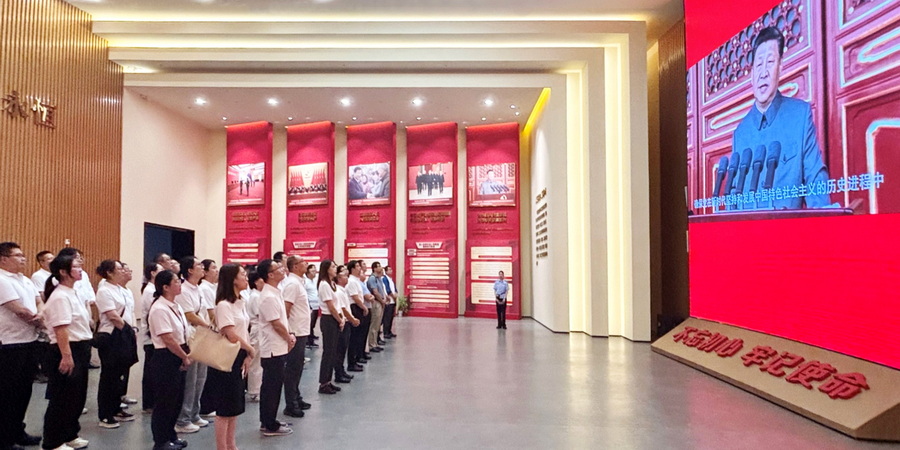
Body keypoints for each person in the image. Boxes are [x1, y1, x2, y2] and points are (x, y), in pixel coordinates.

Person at [731, 26, 829, 209]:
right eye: (758, 65)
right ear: (752, 75)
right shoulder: (740, 134)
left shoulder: (800, 116)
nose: (763, 72)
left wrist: (821, 222)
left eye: (770, 62)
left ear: (780, 68)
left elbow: (815, 181)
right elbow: (733, 197)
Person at [41, 253, 92, 450]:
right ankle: (52, 442)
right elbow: (61, 329)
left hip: (81, 347)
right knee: (61, 398)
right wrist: (67, 356)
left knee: (76, 396)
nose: (80, 269)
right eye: (76, 266)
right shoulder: (60, 296)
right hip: (67, 349)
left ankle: (70, 433)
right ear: (63, 272)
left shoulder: (72, 292)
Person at [0, 242, 44, 450]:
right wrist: (38, 321)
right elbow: (18, 309)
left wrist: (41, 314)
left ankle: (18, 430)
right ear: (3, 259)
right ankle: (3, 438)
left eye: (23, 254)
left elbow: (39, 301)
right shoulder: (2, 279)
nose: (23, 258)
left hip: (29, 340)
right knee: (7, 393)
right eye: (18, 255)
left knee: (24, 391)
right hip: (10, 343)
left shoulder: (25, 279)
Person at [207, 264, 255, 450]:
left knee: (234, 406)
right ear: (233, 279)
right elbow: (230, 333)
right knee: (224, 408)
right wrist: (250, 349)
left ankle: (231, 444)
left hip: (240, 353)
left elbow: (244, 330)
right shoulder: (223, 305)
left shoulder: (240, 302)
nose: (246, 277)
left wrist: (248, 354)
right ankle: (222, 446)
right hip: (228, 357)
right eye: (242, 274)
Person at [146, 270, 191, 450]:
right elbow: (168, 338)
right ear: (165, 287)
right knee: (165, 401)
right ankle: (161, 441)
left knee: (176, 400)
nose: (180, 284)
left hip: (179, 353)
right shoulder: (159, 308)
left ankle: (171, 435)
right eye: (176, 281)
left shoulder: (175, 305)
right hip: (166, 357)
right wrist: (184, 356)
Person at [94, 260, 137, 429]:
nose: (123, 271)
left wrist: (132, 329)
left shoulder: (120, 289)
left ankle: (116, 407)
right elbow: (112, 315)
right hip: (112, 335)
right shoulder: (104, 291)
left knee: (121, 373)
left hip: (125, 333)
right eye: (119, 269)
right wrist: (127, 330)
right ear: (109, 273)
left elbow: (129, 312)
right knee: (109, 375)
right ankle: (105, 414)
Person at [255, 259, 294, 437]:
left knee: (275, 386)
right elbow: (276, 323)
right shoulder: (268, 297)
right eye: (278, 268)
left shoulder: (275, 292)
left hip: (279, 346)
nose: (282, 269)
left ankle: (270, 419)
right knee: (271, 388)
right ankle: (269, 424)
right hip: (272, 348)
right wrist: (288, 337)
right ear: (270, 275)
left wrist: (289, 335)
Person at [173, 256, 209, 434]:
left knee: (201, 377)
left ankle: (195, 413)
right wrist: (208, 326)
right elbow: (190, 315)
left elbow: (203, 311)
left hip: (202, 335)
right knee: (190, 379)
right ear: (189, 270)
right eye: (198, 265)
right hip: (191, 336)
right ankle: (183, 418)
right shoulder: (184, 290)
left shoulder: (198, 289)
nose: (202, 268)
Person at [280, 256, 311, 417]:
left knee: (298, 367)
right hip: (295, 331)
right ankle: (290, 403)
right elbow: (286, 309)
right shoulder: (292, 284)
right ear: (295, 266)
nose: (306, 264)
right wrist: (289, 331)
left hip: (301, 330)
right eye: (303, 262)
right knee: (293, 368)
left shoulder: (299, 282)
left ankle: (296, 397)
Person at [316, 260, 344, 394]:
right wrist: (339, 319)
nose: (335, 268)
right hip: (329, 320)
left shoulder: (332, 283)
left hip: (334, 318)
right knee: (328, 352)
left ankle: (328, 380)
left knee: (333, 351)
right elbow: (330, 306)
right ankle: (323, 383)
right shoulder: (324, 284)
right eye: (333, 266)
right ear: (326, 269)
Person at [197, 259, 219, 417]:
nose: (216, 270)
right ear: (205, 272)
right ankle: (206, 405)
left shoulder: (213, 287)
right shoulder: (204, 288)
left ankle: (210, 403)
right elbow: (211, 312)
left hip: (213, 331)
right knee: (207, 372)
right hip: (209, 331)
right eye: (213, 268)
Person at [141, 263, 163, 414]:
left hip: (154, 336)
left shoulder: (153, 289)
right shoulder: (150, 291)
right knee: (150, 371)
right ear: (153, 273)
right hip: (151, 337)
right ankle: (149, 403)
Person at [332, 265, 356, 384]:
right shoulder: (338, 292)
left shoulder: (342, 290)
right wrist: (352, 319)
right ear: (339, 279)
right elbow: (342, 308)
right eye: (345, 276)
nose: (347, 278)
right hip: (343, 322)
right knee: (340, 350)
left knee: (343, 349)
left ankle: (341, 371)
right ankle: (338, 373)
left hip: (346, 322)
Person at [345, 260, 369, 370]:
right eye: (358, 266)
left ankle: (356, 358)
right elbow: (355, 297)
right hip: (355, 308)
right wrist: (364, 307)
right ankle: (351, 362)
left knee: (359, 335)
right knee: (354, 337)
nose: (360, 268)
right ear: (352, 269)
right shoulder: (351, 281)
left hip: (358, 307)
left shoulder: (357, 280)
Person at [245, 268, 264, 403]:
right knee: (255, 361)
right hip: (257, 329)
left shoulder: (259, 295)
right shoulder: (255, 296)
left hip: (260, 329)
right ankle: (254, 390)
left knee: (259, 361)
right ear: (256, 282)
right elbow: (260, 314)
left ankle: (258, 388)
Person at [365, 262, 387, 354]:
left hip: (380, 302)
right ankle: (372, 344)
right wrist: (381, 300)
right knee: (374, 324)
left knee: (378, 324)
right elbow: (375, 292)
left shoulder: (379, 278)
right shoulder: (372, 278)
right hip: (376, 302)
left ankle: (375, 343)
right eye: (379, 266)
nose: (381, 268)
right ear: (374, 268)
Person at [304, 264, 320, 348]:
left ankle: (312, 336)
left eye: (315, 271)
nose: (314, 273)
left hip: (316, 305)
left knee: (313, 323)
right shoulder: (305, 282)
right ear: (308, 272)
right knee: (310, 324)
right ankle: (309, 341)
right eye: (312, 271)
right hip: (311, 306)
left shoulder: (314, 281)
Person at [382, 266, 398, 339]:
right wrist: (392, 295)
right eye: (389, 270)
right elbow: (387, 289)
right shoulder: (384, 279)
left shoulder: (391, 279)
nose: (391, 271)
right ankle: (386, 332)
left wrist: (396, 294)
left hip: (393, 301)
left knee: (391, 317)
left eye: (391, 269)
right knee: (387, 318)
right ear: (386, 271)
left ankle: (389, 331)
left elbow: (394, 288)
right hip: (389, 301)